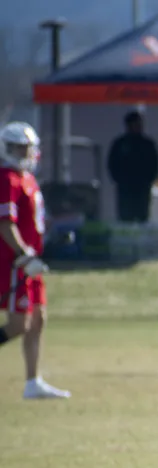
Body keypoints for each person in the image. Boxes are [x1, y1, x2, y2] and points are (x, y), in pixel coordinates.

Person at [0, 122, 71, 399]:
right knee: (19, 324)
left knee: (39, 318)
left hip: (31, 259)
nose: (22, 152)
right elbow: (5, 223)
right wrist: (23, 255)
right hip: (15, 261)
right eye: (17, 147)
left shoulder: (27, 178)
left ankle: (33, 381)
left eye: (26, 148)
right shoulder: (7, 178)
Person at [106, 111, 158, 223]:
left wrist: (149, 180)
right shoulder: (120, 144)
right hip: (125, 188)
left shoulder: (147, 145)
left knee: (142, 217)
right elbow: (112, 164)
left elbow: (155, 164)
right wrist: (119, 180)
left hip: (142, 188)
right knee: (125, 218)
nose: (138, 127)